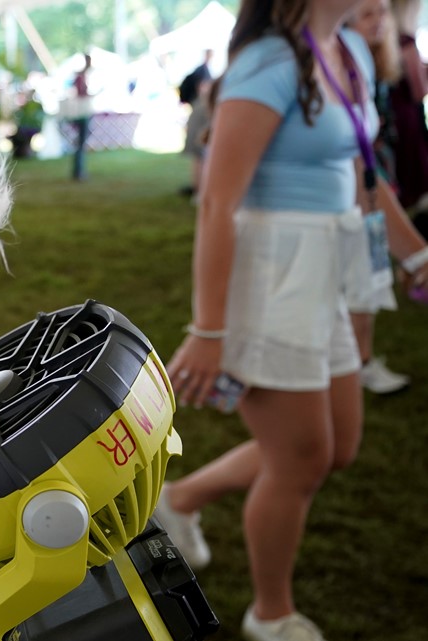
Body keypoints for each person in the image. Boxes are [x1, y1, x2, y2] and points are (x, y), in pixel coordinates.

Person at [158, 0, 428, 639]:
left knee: (334, 448)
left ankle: (181, 499)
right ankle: (269, 612)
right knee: (302, 461)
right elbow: (217, 204)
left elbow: (363, 171)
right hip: (274, 275)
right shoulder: (269, 63)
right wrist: (209, 329)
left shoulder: (352, 49)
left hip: (327, 268)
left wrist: (415, 251)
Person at [348, 0, 411, 393]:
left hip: (375, 182)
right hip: (361, 189)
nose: (379, 20)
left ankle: (360, 359)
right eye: (368, 12)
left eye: (383, 10)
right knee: (364, 278)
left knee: (368, 276)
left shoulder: (372, 60)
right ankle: (361, 362)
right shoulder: (343, 58)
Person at [389, 0, 428, 212]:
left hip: (394, 118)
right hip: (408, 119)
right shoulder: (405, 41)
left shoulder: (389, 39)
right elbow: (419, 90)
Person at [180, 51, 214, 197]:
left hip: (197, 111)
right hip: (201, 112)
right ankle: (199, 191)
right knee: (200, 156)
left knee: (199, 157)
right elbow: (204, 89)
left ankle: (198, 190)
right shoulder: (203, 71)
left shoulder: (202, 69)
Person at [71, 54, 93, 181]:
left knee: (80, 142)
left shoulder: (81, 76)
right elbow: (80, 94)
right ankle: (78, 171)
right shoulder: (80, 77)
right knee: (80, 142)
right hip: (81, 112)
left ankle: (79, 170)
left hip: (82, 111)